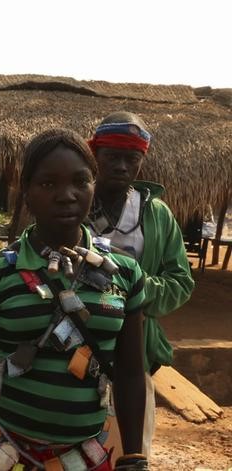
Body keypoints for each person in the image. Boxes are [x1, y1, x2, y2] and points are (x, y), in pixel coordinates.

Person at [0, 129, 148, 470]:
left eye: (80, 181)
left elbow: (132, 373)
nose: (66, 195)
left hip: (86, 456)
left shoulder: (125, 273)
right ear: (26, 193)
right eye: (48, 184)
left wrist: (134, 456)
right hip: (1, 451)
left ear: (94, 185)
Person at [86, 111, 194, 456]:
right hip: (73, 345)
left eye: (131, 159)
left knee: (128, 447)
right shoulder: (74, 201)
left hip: (134, 350)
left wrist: (134, 290)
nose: (121, 166)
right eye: (112, 157)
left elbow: (180, 281)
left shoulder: (156, 214)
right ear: (95, 156)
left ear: (141, 161)